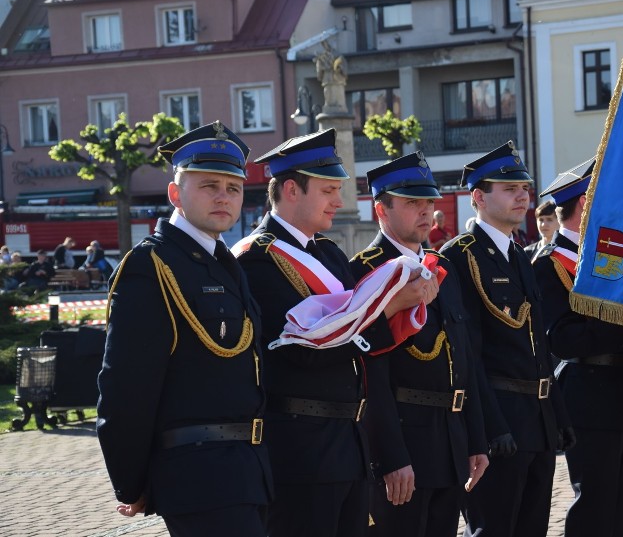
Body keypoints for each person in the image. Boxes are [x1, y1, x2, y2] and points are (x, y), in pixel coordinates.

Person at [234, 128, 438, 537]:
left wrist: (401, 310)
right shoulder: (257, 259)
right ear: (291, 189)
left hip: (348, 441)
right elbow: (298, 350)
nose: (339, 202)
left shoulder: (327, 252)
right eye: (328, 190)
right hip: (300, 446)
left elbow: (363, 350)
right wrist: (390, 308)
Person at [96, 121, 273, 536]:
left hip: (249, 471)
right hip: (198, 476)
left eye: (232, 188)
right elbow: (125, 386)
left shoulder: (225, 263)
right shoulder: (150, 265)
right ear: (176, 193)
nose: (223, 197)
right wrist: (132, 481)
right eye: (209, 185)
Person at [531, 159, 623, 537]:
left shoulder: (612, 258)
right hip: (590, 397)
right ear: (586, 203)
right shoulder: (549, 265)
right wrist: (621, 322)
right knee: (596, 506)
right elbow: (561, 339)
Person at [350, 151, 489, 537]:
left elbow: (465, 357)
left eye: (429, 201)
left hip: (450, 440)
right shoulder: (366, 270)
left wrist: (477, 439)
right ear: (382, 209)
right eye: (413, 202)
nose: (426, 211)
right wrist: (391, 456)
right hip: (405, 442)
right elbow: (370, 374)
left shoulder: (439, 266)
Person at [440, 141, 574, 537]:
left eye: (525, 188)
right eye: (509, 188)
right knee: (494, 529)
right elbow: (468, 355)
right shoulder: (460, 257)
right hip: (497, 422)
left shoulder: (520, 255)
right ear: (478, 197)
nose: (523, 196)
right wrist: (489, 428)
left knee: (531, 528)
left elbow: (538, 345)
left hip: (536, 421)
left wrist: (558, 414)